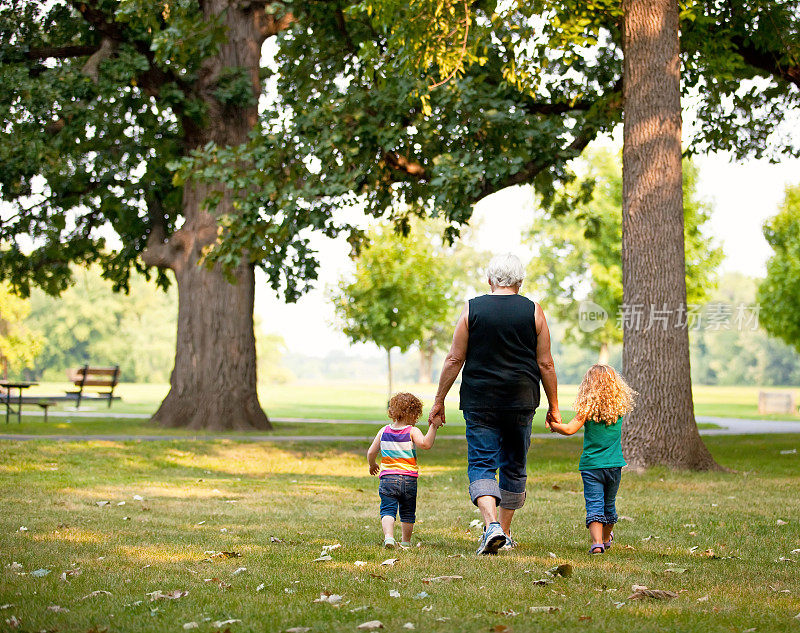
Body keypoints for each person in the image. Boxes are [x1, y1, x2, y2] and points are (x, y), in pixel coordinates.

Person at [428, 253, 561, 555]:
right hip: (521, 400)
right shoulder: (534, 311)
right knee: (514, 465)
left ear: (490, 280)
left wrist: (439, 400)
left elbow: (454, 358)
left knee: (482, 463)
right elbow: (546, 363)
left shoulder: (472, 309)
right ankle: (504, 531)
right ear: (520, 282)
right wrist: (554, 406)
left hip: (480, 400)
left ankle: (492, 528)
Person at [547, 364, 636, 554]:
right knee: (609, 504)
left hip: (591, 467)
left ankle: (596, 544)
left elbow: (569, 429)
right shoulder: (618, 412)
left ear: (588, 387)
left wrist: (555, 425)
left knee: (594, 504)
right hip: (614, 466)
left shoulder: (587, 411)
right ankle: (606, 538)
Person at [367, 392, 442, 549]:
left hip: (387, 479)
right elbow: (426, 444)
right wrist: (433, 426)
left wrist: (372, 464)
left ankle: (389, 537)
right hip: (408, 479)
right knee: (407, 512)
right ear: (412, 414)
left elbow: (371, 452)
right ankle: (406, 542)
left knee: (388, 509)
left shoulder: (383, 431)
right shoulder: (411, 431)